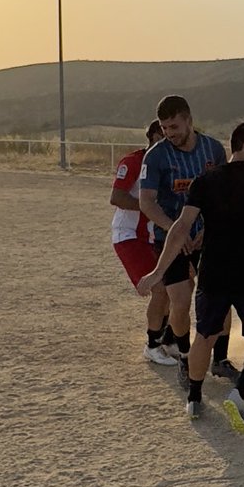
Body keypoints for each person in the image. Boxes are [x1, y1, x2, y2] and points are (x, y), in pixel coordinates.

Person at [137, 121, 244, 434]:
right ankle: (238, 392)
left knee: (204, 336)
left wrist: (157, 272)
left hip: (212, 272)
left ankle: (193, 398)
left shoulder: (205, 180)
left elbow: (179, 228)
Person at [137, 95, 231, 388]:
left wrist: (208, 227)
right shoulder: (155, 156)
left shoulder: (213, 149)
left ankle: (221, 358)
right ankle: (185, 356)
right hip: (170, 238)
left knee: (221, 297)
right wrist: (176, 229)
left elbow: (224, 194)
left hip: (207, 235)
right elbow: (146, 202)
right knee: (180, 300)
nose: (169, 133)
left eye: (174, 126)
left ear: (189, 120)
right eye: (165, 128)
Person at [109, 119, 173, 365]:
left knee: (173, 285)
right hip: (129, 236)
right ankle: (153, 345)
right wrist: (149, 207)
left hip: (152, 236)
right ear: (156, 136)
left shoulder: (167, 165)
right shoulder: (134, 161)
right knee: (160, 287)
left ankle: (167, 339)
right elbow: (116, 197)